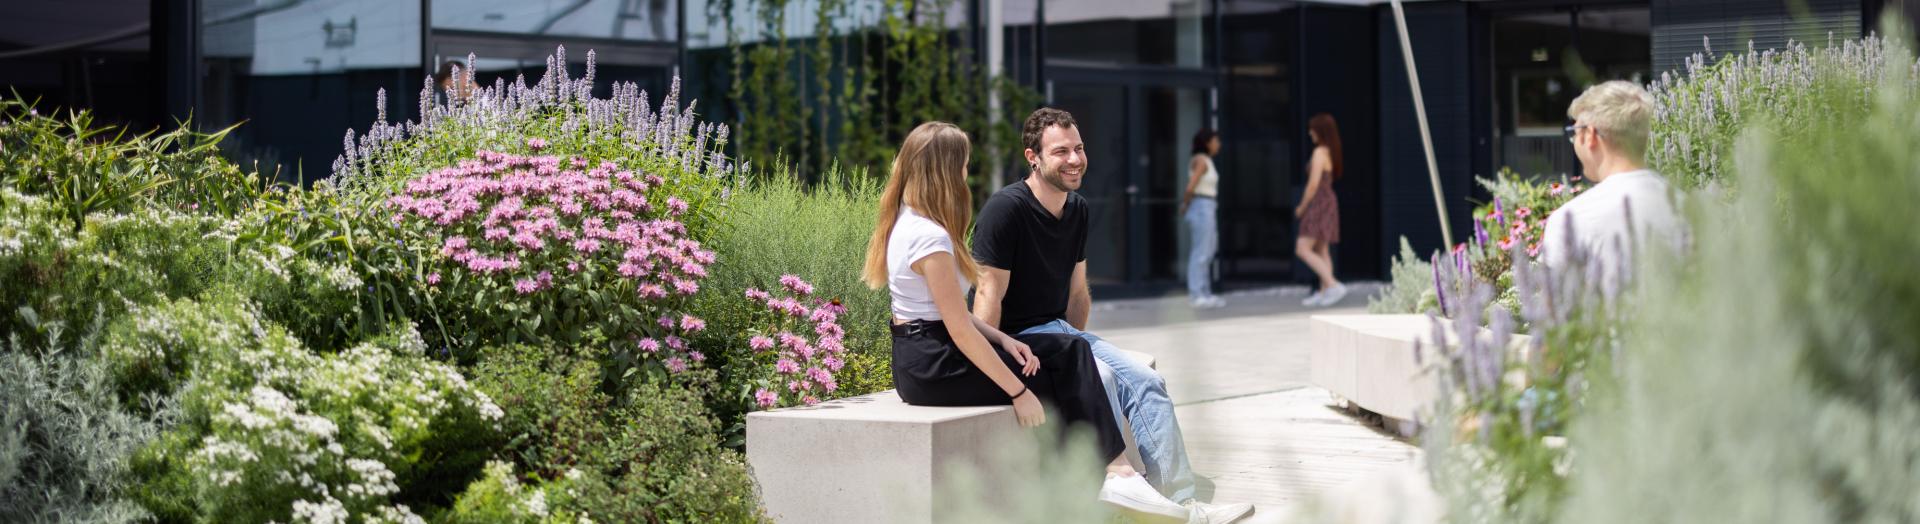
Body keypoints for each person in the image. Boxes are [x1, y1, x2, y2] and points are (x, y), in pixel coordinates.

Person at [971, 108, 1255, 524]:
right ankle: (1123, 497)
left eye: (1079, 148)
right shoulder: (1006, 209)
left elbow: (1077, 291)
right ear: (1033, 156)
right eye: (1061, 151)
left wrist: (1084, 352)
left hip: (1061, 333)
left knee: (1147, 380)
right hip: (1016, 338)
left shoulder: (1078, 209)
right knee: (1103, 379)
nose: (1075, 159)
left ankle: (1181, 504)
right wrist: (994, 371)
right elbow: (987, 296)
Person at [860, 121, 1145, 513]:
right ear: (945, 169)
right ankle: (1113, 475)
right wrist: (1018, 392)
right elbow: (958, 331)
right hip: (934, 366)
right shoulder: (930, 237)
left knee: (1067, 351)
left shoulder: (908, 221)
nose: (966, 172)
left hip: (920, 359)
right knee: (1068, 362)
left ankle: (1099, 480)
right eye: (963, 164)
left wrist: (1004, 339)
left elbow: (950, 315)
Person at [1541, 80, 1682, 285]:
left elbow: (1556, 308)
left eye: (1575, 133)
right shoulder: (1690, 208)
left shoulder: (1570, 220)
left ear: (1590, 135)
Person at [1296, 113, 1346, 307]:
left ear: (1320, 131)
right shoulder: (1330, 151)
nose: (1310, 132)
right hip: (1328, 202)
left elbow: (1312, 184)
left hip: (1319, 203)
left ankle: (1333, 285)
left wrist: (1301, 207)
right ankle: (1324, 291)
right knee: (1321, 249)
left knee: (1302, 248)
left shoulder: (1319, 153)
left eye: (1312, 129)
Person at [1182, 129, 1225, 309]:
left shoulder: (1206, 160)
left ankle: (1204, 293)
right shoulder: (1201, 160)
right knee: (1201, 252)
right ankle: (1196, 294)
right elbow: (1191, 185)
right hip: (1201, 206)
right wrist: (1184, 205)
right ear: (1207, 142)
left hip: (1207, 206)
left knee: (1207, 251)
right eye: (1216, 140)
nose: (1218, 144)